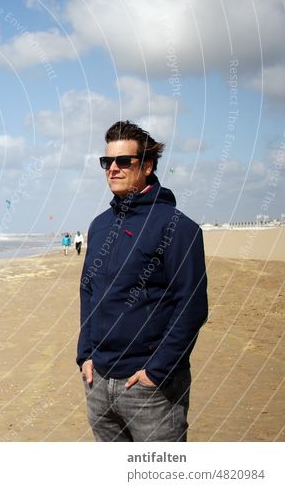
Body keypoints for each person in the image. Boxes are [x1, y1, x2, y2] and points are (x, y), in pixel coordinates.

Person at [76, 120, 208, 442]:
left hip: (150, 389)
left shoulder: (176, 227)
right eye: (107, 162)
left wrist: (156, 371)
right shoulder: (100, 225)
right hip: (99, 382)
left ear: (147, 166)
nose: (113, 169)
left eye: (124, 161)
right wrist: (86, 355)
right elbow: (89, 291)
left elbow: (191, 306)